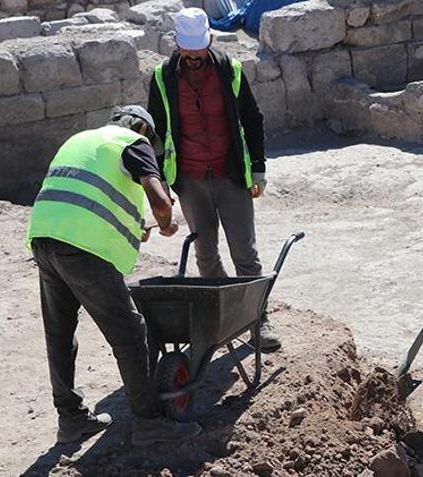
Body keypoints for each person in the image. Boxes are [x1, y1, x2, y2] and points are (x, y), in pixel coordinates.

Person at [26, 106, 201, 446]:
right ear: (141, 128)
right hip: (80, 247)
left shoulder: (82, 141)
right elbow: (160, 202)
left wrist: (136, 227)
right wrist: (166, 222)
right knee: (131, 333)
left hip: (43, 237)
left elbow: (87, 200)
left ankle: (70, 419)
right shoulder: (133, 142)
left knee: (59, 332)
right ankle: (148, 422)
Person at [147, 7, 280, 351]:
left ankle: (258, 320)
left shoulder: (229, 71)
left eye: (199, 51)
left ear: (208, 42)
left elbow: (252, 119)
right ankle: (222, 318)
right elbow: (156, 135)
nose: (194, 58)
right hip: (190, 179)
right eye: (187, 52)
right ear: (177, 45)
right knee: (205, 253)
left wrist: (259, 167)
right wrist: (160, 183)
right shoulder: (162, 78)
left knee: (245, 253)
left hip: (230, 173)